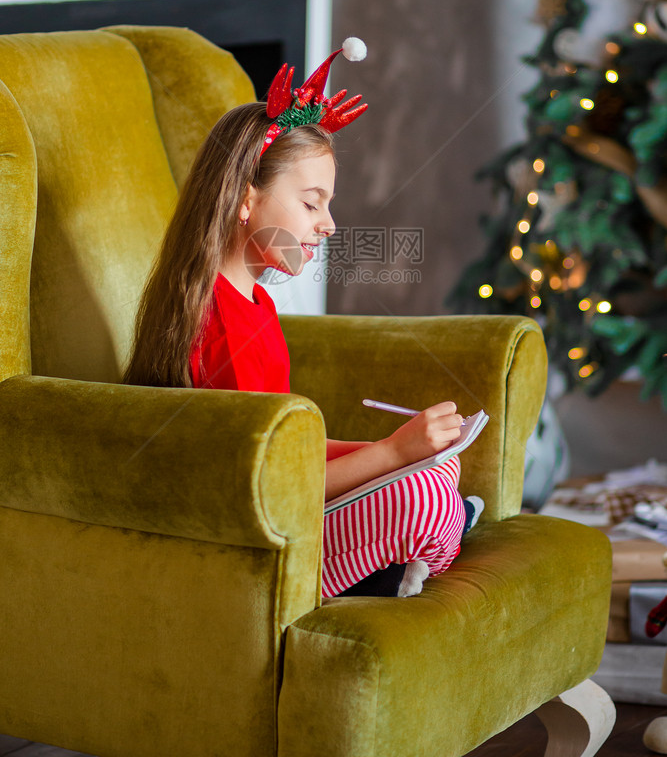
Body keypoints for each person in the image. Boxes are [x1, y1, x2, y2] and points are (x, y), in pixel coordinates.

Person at [123, 38, 483, 598]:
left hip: (291, 495)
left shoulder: (256, 303)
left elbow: (290, 451)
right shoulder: (217, 325)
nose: (329, 225)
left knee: (436, 470)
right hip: (261, 537)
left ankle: (417, 542)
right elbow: (268, 486)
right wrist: (390, 456)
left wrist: (386, 451)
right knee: (424, 495)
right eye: (312, 203)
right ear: (246, 201)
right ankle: (397, 563)